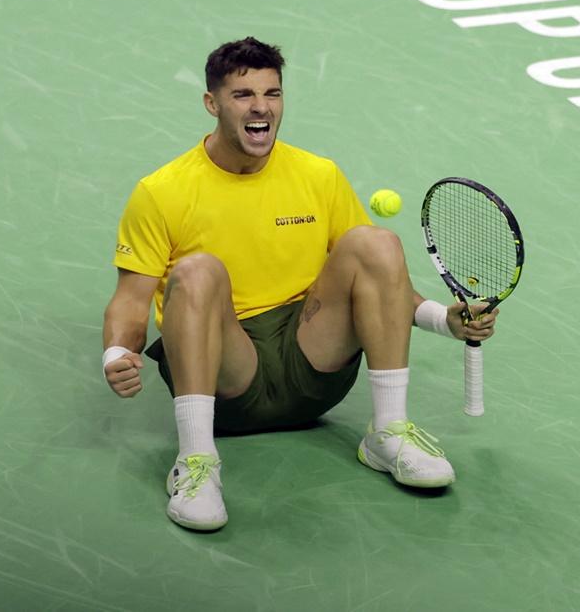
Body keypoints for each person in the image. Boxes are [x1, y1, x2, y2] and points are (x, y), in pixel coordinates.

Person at [101, 37, 499, 531]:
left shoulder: (318, 175)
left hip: (312, 367)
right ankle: (198, 464)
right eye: (243, 95)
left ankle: (387, 433)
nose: (261, 107)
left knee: (374, 242)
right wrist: (117, 354)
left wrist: (443, 319)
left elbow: (377, 280)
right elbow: (130, 299)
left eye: (273, 93)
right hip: (226, 377)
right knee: (199, 271)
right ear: (212, 103)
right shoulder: (162, 192)